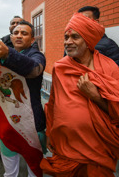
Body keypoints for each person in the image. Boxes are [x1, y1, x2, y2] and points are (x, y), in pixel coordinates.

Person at [40, 13, 119, 176]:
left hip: (97, 151)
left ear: (88, 40)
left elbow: (116, 112)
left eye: (75, 37)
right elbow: (53, 102)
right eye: (66, 37)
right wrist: (49, 133)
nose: (67, 42)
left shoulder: (109, 67)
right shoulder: (60, 67)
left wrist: (95, 96)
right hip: (65, 147)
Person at [0, 20, 46, 177]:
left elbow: (34, 70)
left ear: (32, 40)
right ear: (11, 37)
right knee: (10, 168)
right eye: (16, 33)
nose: (19, 36)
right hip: (9, 120)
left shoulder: (37, 55)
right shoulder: (1, 56)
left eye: (24, 33)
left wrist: (8, 54)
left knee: (34, 168)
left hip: (32, 121)